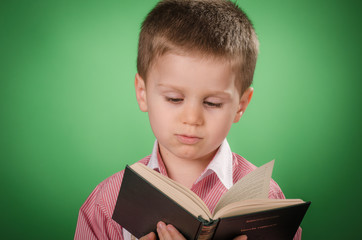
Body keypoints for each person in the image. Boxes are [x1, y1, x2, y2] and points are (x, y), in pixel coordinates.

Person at [75, 0, 302, 239]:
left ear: (240, 105)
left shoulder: (268, 201)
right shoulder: (106, 203)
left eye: (212, 103)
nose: (192, 118)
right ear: (142, 93)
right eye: (174, 99)